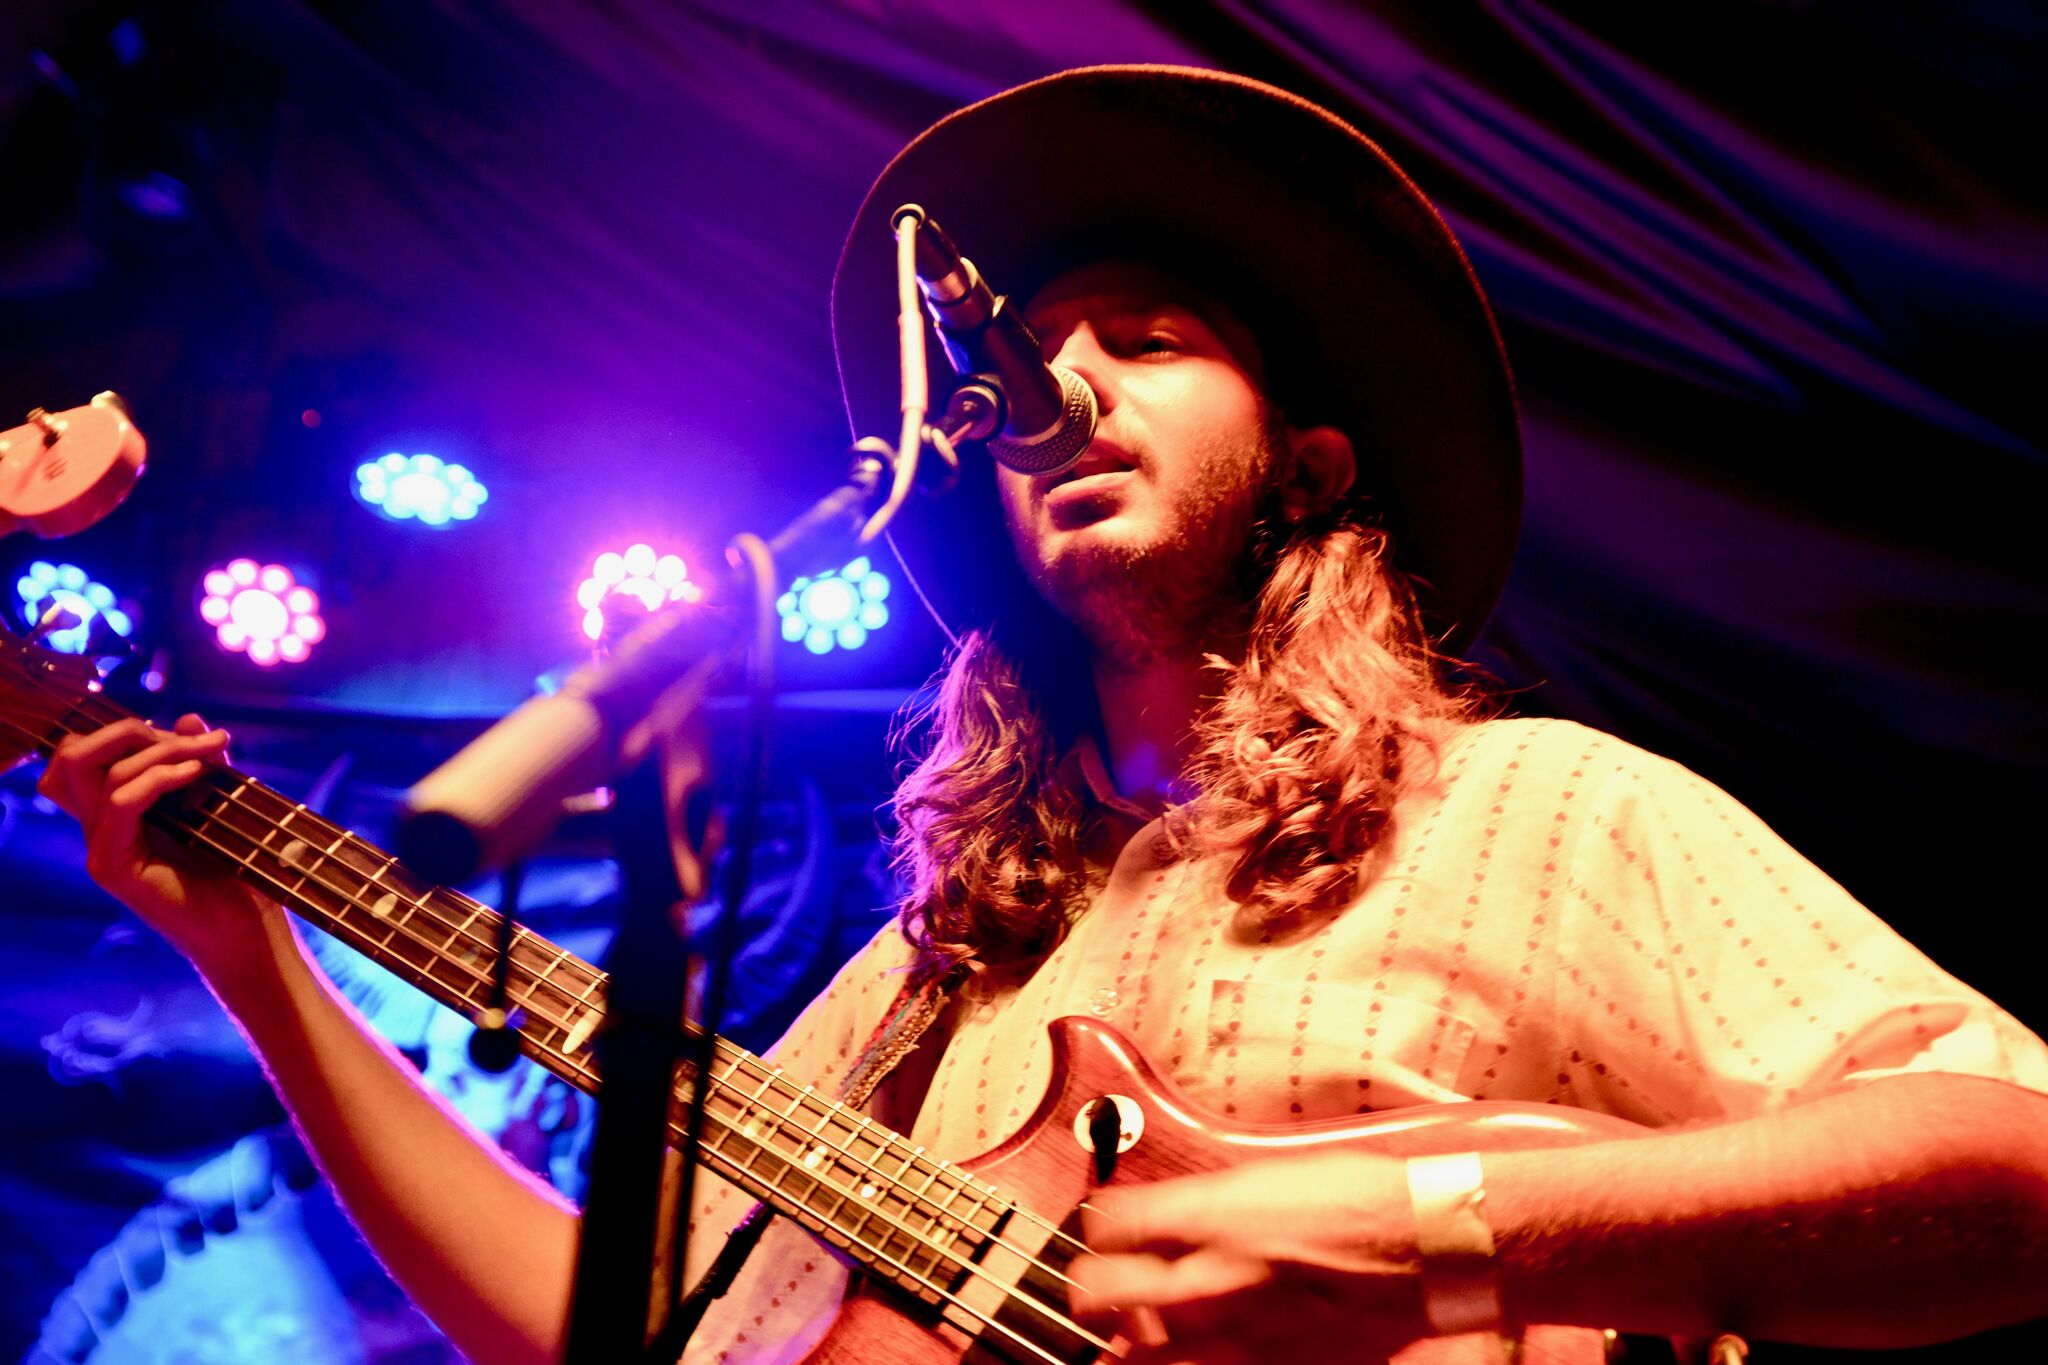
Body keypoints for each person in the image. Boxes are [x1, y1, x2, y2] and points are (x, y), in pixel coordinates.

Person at [38, 65, 2048, 1365]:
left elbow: (2007, 1150)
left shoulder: (1532, 808)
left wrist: (1436, 1229)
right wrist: (256, 954)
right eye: (1031, 355)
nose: (1063, 380)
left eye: (1151, 342)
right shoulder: (933, 983)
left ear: (1312, 464)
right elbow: (614, 1321)